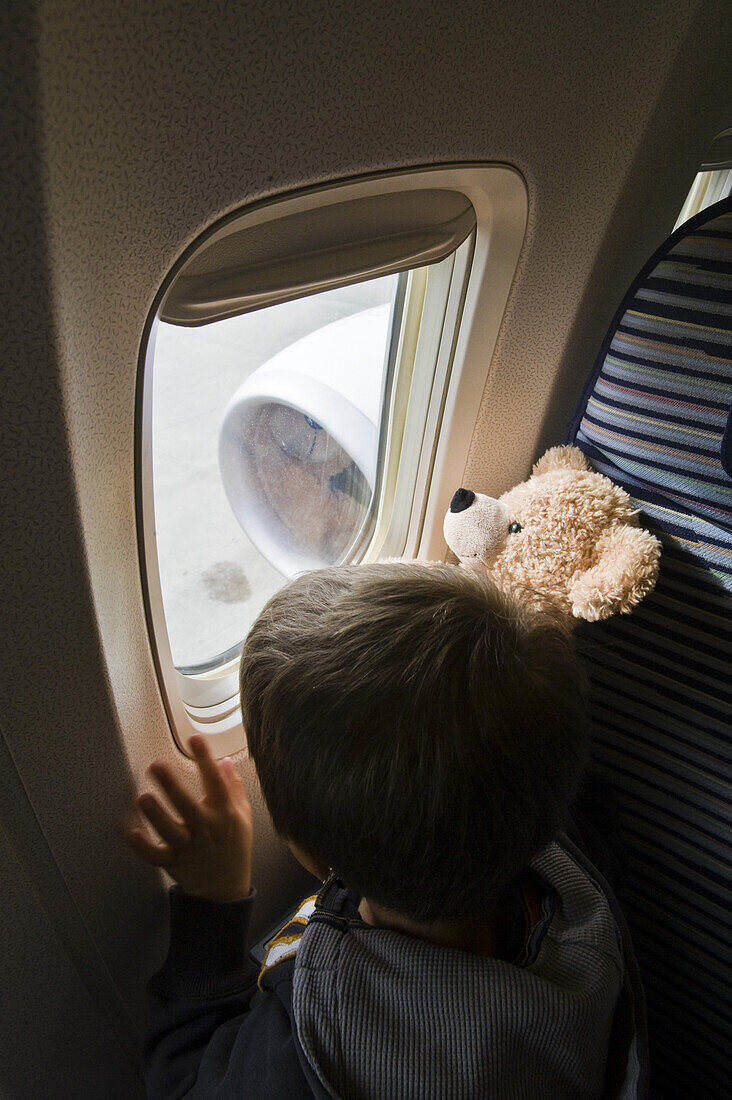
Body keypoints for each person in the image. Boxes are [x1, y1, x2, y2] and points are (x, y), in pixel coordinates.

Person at [126, 562, 648, 1099]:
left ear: (310, 855)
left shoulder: (316, 1048)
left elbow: (185, 1082)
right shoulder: (574, 874)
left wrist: (215, 906)